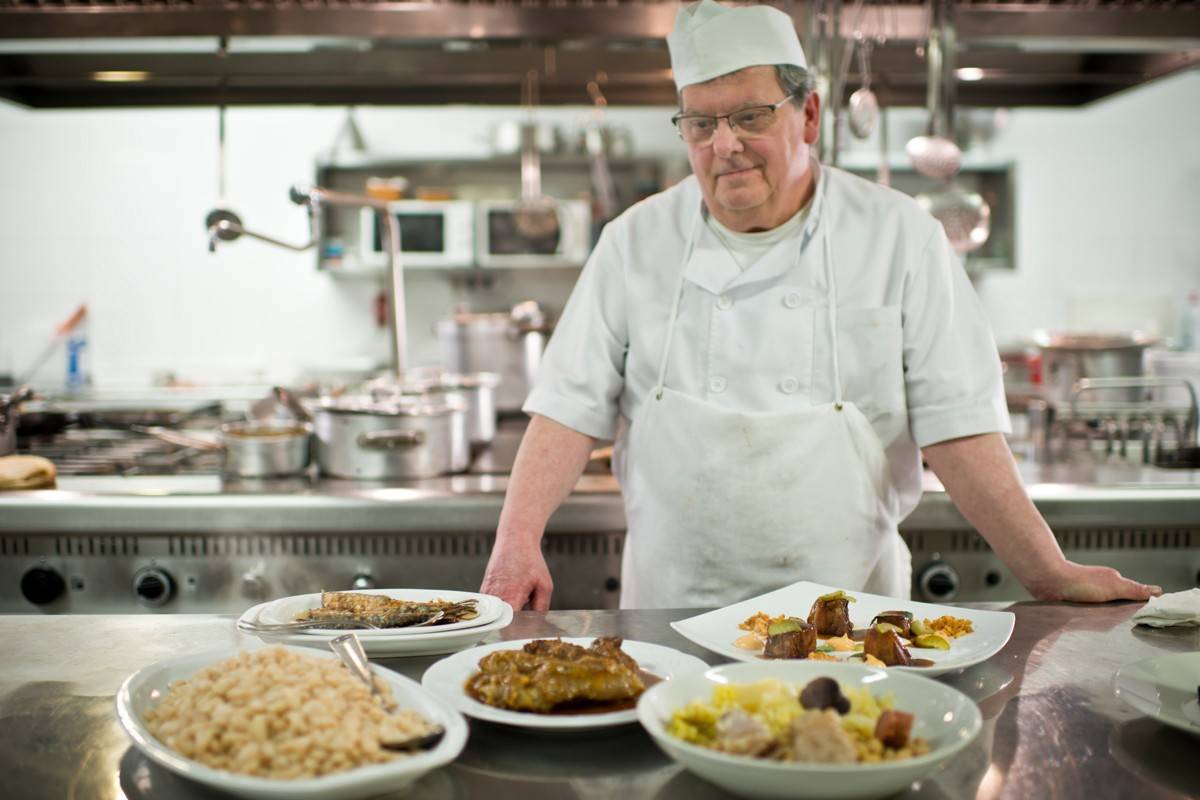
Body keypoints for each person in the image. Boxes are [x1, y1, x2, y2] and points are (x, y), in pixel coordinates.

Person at [481, 0, 1161, 610]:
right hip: (673, 618)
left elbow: (957, 427)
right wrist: (515, 542)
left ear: (807, 115)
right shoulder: (633, 242)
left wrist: (1047, 572)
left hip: (850, 621)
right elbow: (567, 409)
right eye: (700, 123)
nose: (725, 145)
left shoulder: (901, 238)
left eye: (749, 116)